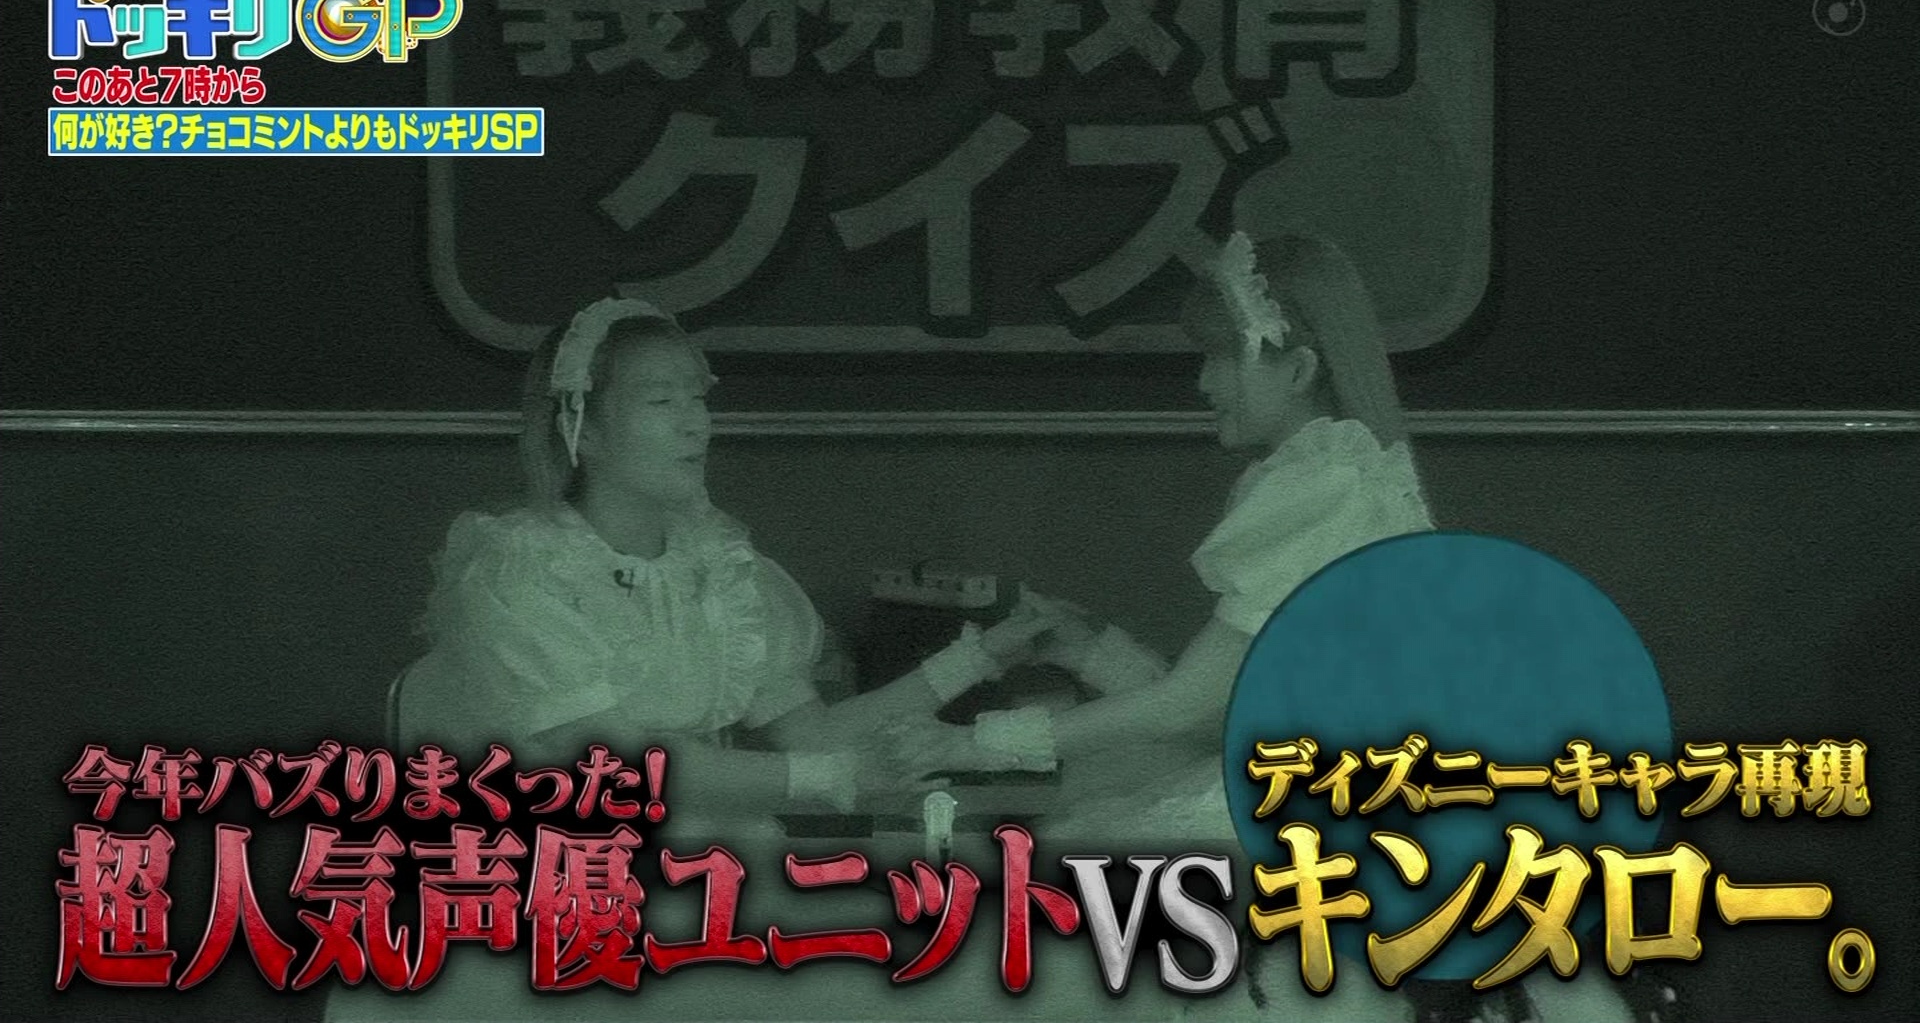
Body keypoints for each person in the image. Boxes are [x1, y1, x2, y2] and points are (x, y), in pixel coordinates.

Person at [904, 231, 1654, 1023]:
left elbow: (1190, 709)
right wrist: (1093, 651)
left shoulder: (1322, 487)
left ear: (1297, 370)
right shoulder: (1334, 475)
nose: (1203, 381)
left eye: (1223, 358)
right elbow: (1239, 710)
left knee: (1075, 899)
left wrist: (973, 743)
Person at [327, 296, 1048, 1022]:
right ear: (584, 428)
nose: (694, 423)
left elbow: (813, 734)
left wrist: (977, 658)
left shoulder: (723, 569)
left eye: (698, 400)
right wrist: (834, 778)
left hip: (713, 861)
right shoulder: (521, 572)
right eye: (660, 401)